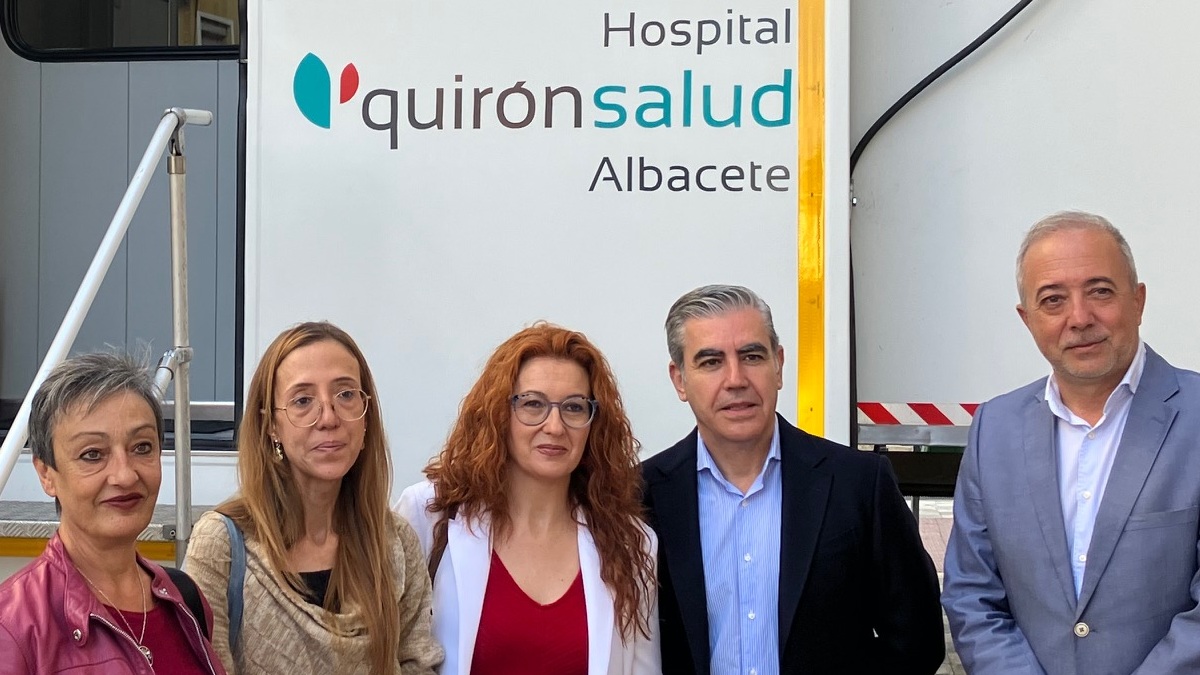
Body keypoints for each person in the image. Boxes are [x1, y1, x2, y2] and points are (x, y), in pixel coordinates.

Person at [943, 211, 1200, 674]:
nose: (1079, 318)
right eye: (1053, 300)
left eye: (1100, 291)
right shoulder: (994, 428)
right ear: (1027, 319)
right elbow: (972, 594)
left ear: (1138, 301)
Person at [643, 284, 945, 674]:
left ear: (779, 365)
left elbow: (918, 641)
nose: (736, 379)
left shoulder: (859, 484)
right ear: (680, 380)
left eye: (752, 356)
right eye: (711, 362)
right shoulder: (642, 496)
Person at [396, 323, 660, 675]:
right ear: (498, 412)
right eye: (533, 404)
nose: (555, 426)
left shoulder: (631, 544)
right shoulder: (428, 515)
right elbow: (382, 652)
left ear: (594, 422)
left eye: (574, 407)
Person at [184, 321, 442, 674]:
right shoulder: (222, 545)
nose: (329, 418)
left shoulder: (394, 542)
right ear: (271, 426)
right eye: (303, 400)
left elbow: (418, 663)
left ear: (366, 416)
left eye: (346, 394)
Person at [0, 352, 226, 674]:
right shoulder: (13, 628)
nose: (125, 475)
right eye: (92, 454)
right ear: (46, 473)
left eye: (142, 447)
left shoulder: (186, 600)